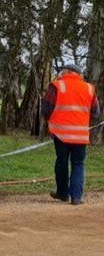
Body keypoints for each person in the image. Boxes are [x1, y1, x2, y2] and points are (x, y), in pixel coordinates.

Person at [41, 63, 100, 205]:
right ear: (78, 74)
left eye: (62, 71)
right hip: (80, 135)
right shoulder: (89, 88)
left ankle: (62, 194)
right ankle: (76, 197)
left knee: (61, 162)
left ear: (67, 72)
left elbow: (45, 109)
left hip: (60, 134)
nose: (60, 73)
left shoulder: (56, 86)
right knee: (78, 164)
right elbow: (96, 113)